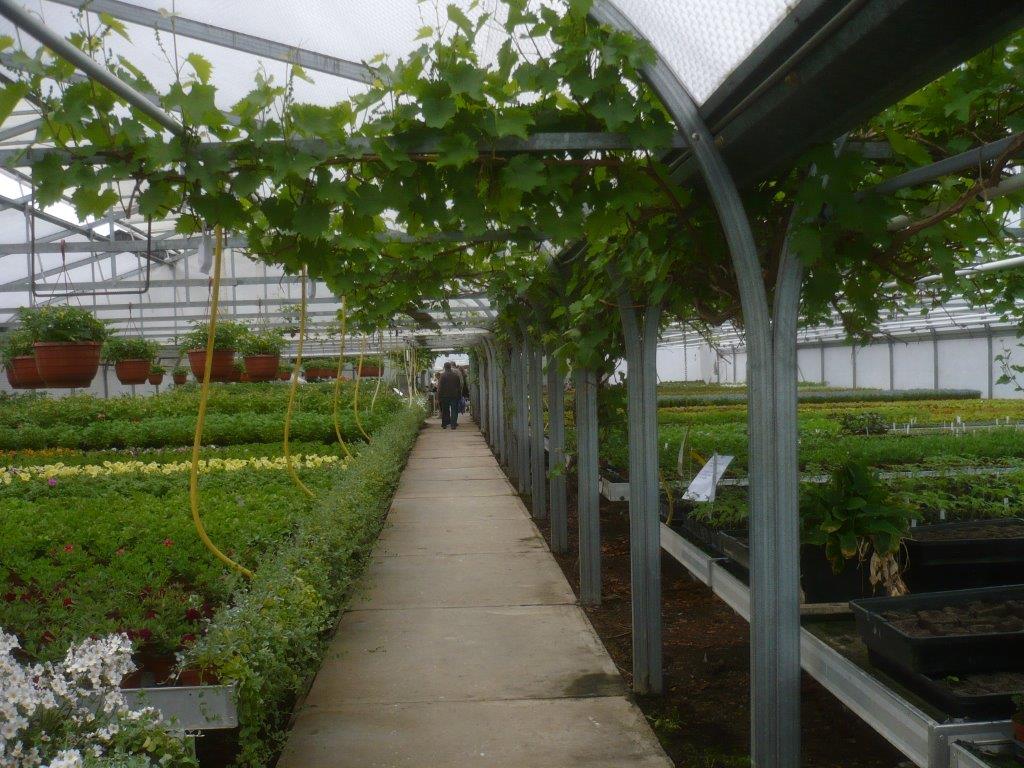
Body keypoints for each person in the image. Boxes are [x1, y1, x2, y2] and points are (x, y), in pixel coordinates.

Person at [437, 361, 463, 429]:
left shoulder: (442, 376)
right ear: (450, 367)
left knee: (445, 410)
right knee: (454, 410)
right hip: (454, 395)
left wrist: (438, 396)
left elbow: (439, 387)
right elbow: (459, 387)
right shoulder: (456, 376)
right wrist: (459, 395)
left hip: (444, 396)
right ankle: (453, 424)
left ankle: (444, 424)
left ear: (445, 367)